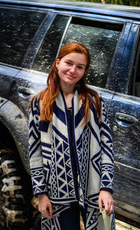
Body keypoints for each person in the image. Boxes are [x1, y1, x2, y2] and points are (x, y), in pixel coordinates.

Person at [28, 42, 114, 230]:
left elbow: (107, 147)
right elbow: (35, 154)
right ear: (57, 63)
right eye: (69, 63)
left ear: (84, 71)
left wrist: (106, 188)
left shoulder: (94, 102)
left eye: (80, 67)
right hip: (56, 191)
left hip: (94, 188)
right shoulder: (39, 104)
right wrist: (41, 194)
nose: (73, 70)